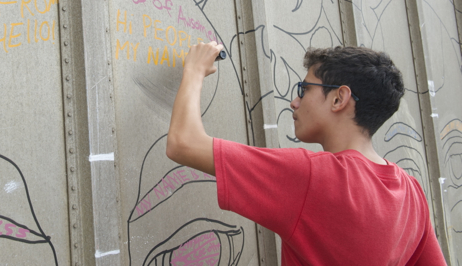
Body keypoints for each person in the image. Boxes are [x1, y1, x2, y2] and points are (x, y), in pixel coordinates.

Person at [167, 42, 447, 265]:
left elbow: (183, 143)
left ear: (339, 98)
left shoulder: (313, 176)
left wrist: (193, 70)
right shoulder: (411, 193)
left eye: (304, 89)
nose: (294, 101)